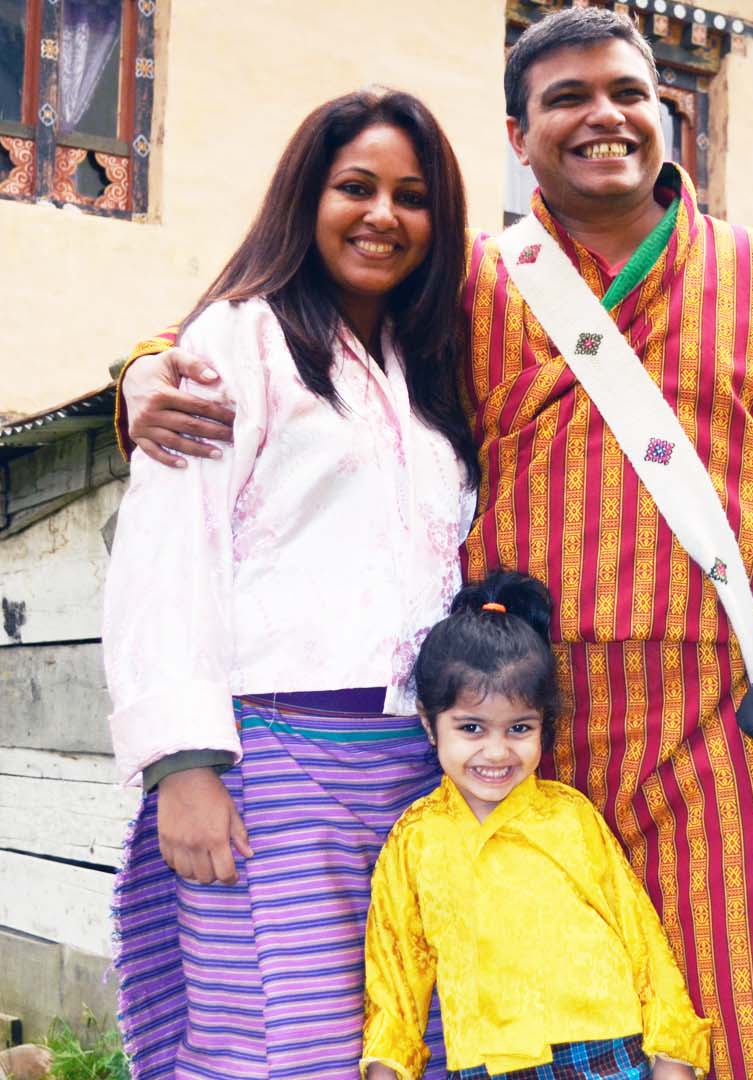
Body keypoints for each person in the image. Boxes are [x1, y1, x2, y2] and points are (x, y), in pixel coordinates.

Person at [115, 11, 753, 1078]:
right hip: (521, 734)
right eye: (567, 98)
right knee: (520, 1041)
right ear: (518, 136)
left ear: (665, 113)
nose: (604, 116)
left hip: (734, 729)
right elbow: (296, 316)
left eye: (629, 92)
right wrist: (142, 368)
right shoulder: (462, 290)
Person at [102, 88, 477, 1080]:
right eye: (356, 187)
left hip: (419, 770)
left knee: (408, 1044)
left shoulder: (431, 365)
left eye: (411, 195)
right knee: (274, 1048)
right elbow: (165, 548)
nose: (382, 216)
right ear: (306, 200)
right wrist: (183, 763)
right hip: (269, 762)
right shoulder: (237, 339)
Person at [360, 571, 710, 1080]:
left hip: (605, 1055)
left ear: (544, 725)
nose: (497, 752)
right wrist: (386, 1067)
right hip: (486, 1065)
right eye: (471, 728)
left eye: (519, 728)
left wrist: (673, 1051)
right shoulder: (415, 840)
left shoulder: (569, 816)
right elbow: (394, 973)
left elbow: (642, 940)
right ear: (428, 722)